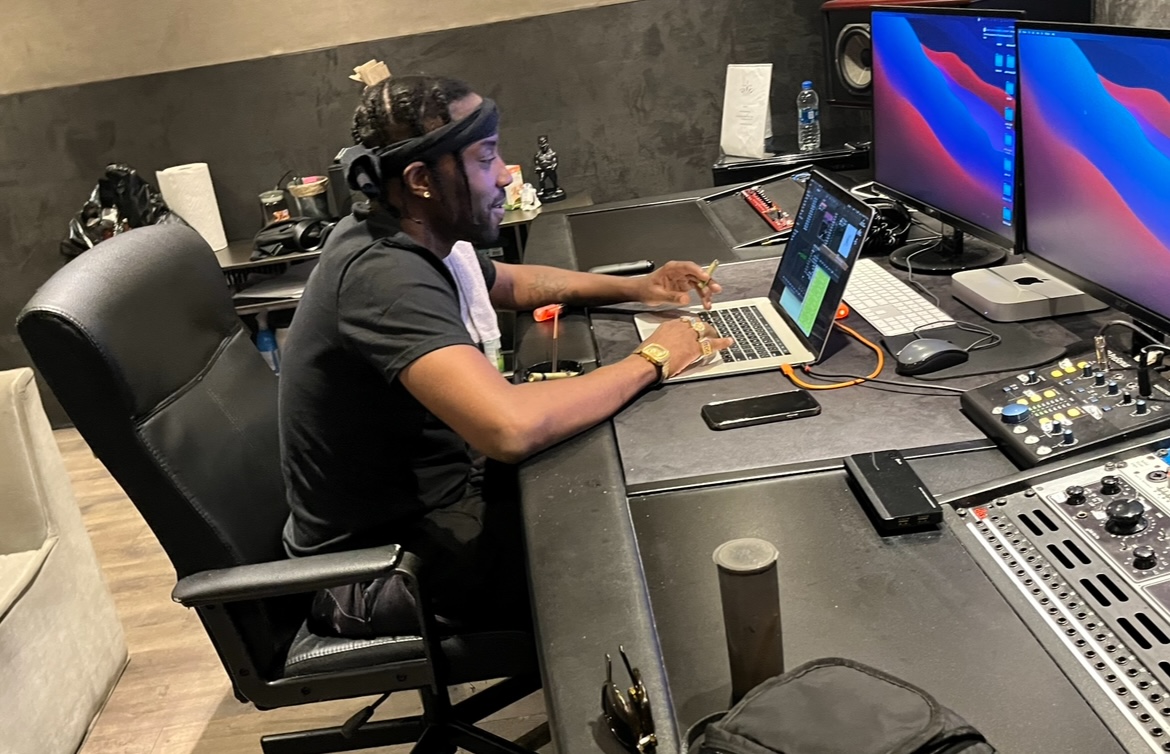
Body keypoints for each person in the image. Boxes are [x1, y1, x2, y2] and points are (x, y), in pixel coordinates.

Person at [279, 74, 732, 638]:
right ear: (421, 179)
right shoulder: (384, 273)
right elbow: (510, 428)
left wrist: (642, 287)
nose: (503, 175)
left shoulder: (407, 232)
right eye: (485, 157)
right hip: (376, 571)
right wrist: (655, 358)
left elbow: (513, 283)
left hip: (431, 512)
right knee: (647, 545)